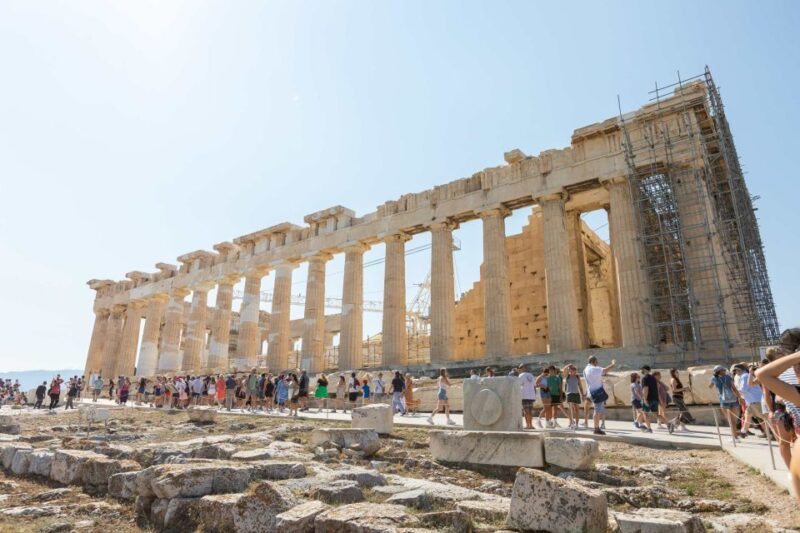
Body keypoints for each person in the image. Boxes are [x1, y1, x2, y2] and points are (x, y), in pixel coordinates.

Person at [756, 345, 800, 500]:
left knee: (794, 439)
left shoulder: (787, 369)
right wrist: (770, 410)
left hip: (791, 406)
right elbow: (766, 392)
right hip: (780, 409)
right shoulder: (775, 370)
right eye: (780, 353)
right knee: (785, 441)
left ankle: (794, 470)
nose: (783, 353)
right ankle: (791, 470)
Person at [709, 365, 744, 444]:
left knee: (730, 420)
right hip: (733, 400)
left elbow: (710, 387)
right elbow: (734, 388)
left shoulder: (714, 378)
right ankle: (736, 437)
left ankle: (734, 438)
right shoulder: (728, 377)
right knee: (733, 420)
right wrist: (740, 398)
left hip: (724, 401)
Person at [584, 356, 615, 435]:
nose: (597, 363)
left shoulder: (586, 369)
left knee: (598, 410)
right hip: (596, 392)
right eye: (596, 362)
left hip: (591, 392)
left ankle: (597, 427)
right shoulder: (593, 368)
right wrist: (613, 364)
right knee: (597, 411)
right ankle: (596, 429)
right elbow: (604, 370)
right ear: (593, 362)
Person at [736, 363, 766, 438]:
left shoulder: (744, 376)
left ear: (740, 370)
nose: (735, 372)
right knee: (748, 416)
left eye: (736, 370)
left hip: (754, 400)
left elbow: (744, 389)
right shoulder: (746, 376)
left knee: (763, 418)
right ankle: (743, 432)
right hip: (753, 400)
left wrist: (737, 393)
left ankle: (771, 433)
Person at [564, 365, 583, 430]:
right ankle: (571, 423)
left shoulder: (577, 377)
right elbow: (564, 369)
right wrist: (569, 365)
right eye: (573, 370)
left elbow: (580, 386)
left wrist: (582, 394)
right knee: (570, 409)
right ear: (570, 370)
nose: (574, 372)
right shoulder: (567, 376)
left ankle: (577, 424)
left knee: (577, 410)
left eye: (575, 370)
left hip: (576, 394)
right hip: (569, 394)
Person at [640, 366, 659, 430]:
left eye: (642, 369)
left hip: (648, 399)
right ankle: (668, 424)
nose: (641, 371)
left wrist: (645, 399)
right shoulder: (653, 378)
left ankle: (649, 429)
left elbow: (646, 389)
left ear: (645, 370)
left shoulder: (644, 378)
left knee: (645, 414)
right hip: (655, 398)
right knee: (656, 414)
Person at [519, 364, 536, 430]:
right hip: (531, 396)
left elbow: (518, 385)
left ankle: (527, 425)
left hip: (524, 395)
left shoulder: (521, 375)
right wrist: (534, 395)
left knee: (526, 411)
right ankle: (531, 425)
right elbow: (534, 386)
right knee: (530, 411)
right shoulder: (531, 375)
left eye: (520, 368)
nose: (519, 369)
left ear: (523, 368)